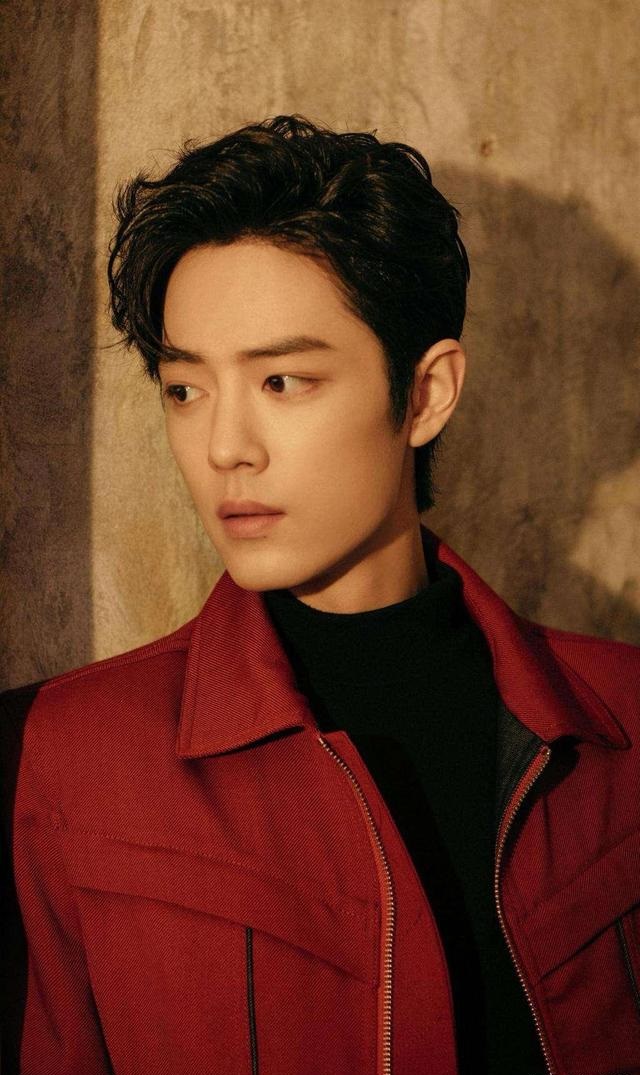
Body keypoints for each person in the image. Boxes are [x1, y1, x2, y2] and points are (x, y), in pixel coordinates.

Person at [8, 114, 640, 1075]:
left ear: (425, 394)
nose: (226, 447)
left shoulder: (621, 721)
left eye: (283, 380)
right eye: (185, 389)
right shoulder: (70, 756)